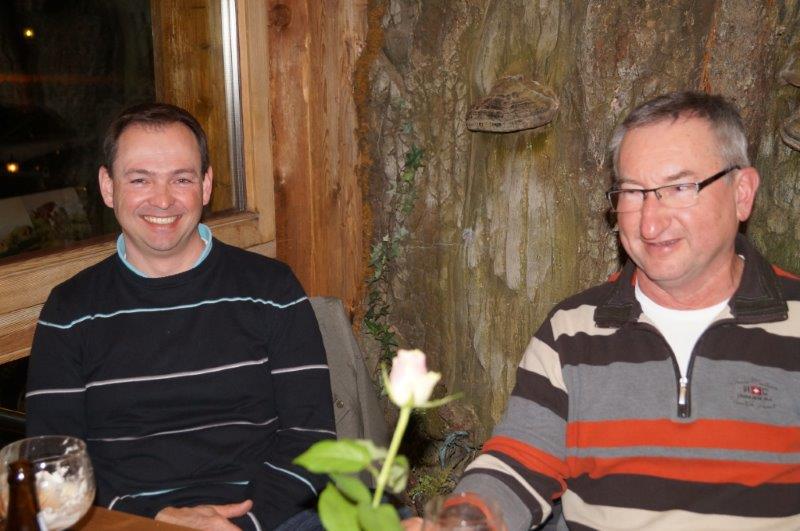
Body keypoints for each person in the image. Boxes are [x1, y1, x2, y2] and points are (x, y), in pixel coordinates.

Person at [410, 91, 800, 530]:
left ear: (742, 193)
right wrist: (463, 520)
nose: (649, 223)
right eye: (633, 192)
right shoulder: (572, 332)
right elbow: (516, 464)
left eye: (679, 188)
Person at [25, 103, 335, 530]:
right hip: (128, 521)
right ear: (108, 187)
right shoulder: (69, 311)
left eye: (182, 179)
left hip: (272, 518)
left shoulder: (272, 290)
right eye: (140, 179)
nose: (163, 199)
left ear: (205, 186)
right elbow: (52, 462)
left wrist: (247, 523)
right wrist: (154, 519)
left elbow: (312, 440)